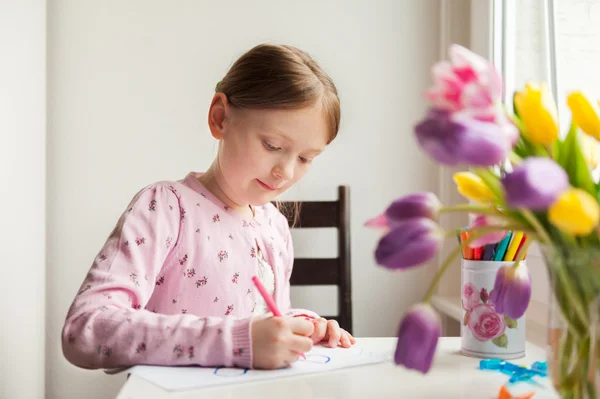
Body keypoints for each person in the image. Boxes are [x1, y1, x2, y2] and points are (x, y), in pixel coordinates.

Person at [62, 43, 355, 371]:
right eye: (272, 145)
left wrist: (301, 327)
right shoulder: (166, 209)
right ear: (220, 118)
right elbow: (85, 329)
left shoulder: (274, 227)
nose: (286, 172)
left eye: (305, 158)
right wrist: (237, 342)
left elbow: (259, 317)